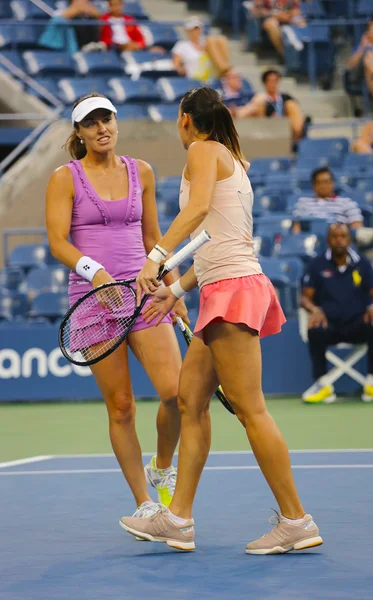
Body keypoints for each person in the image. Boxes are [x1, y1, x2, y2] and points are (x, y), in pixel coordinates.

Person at [119, 86, 323, 554]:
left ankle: (296, 520)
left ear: (187, 119)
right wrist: (175, 289)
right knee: (190, 400)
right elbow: (216, 239)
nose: (178, 124)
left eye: (178, 116)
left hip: (232, 292)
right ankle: (179, 520)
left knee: (251, 411)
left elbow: (195, 213)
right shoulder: (226, 154)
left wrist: (155, 257)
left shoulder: (203, 150)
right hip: (220, 287)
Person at [45, 93, 189, 517]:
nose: (101, 128)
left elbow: (153, 241)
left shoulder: (141, 171)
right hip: (93, 305)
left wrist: (174, 289)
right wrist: (96, 274)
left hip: (144, 293)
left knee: (176, 393)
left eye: (106, 119)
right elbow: (57, 242)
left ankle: (162, 468)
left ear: (115, 121)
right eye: (91, 124)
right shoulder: (64, 178)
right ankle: (144, 503)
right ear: (80, 133)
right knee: (122, 406)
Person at [301, 223, 373, 404]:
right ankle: (323, 384)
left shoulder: (362, 263)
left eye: (343, 236)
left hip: (357, 324)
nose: (339, 240)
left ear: (349, 239)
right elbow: (305, 298)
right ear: (328, 240)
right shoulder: (316, 265)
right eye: (335, 237)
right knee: (315, 329)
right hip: (330, 325)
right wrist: (315, 310)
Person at [292, 167, 373, 246]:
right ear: (314, 186)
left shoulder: (347, 203)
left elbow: (356, 226)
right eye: (319, 182)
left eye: (326, 182)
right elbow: (296, 228)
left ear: (333, 183)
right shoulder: (303, 202)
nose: (323, 186)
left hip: (339, 242)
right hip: (311, 243)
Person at [231, 69, 307, 142]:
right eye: (270, 81)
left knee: (291, 105)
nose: (273, 84)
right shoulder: (260, 98)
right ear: (265, 83)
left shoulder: (285, 98)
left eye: (275, 81)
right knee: (259, 104)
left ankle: (297, 141)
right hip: (266, 127)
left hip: (285, 127)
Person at [172, 17, 231, 81]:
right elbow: (176, 64)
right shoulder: (182, 45)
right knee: (211, 40)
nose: (196, 31)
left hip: (210, 77)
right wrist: (181, 70)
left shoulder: (206, 43)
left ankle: (225, 69)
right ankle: (225, 70)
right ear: (188, 31)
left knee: (221, 39)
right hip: (195, 78)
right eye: (194, 29)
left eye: (198, 29)